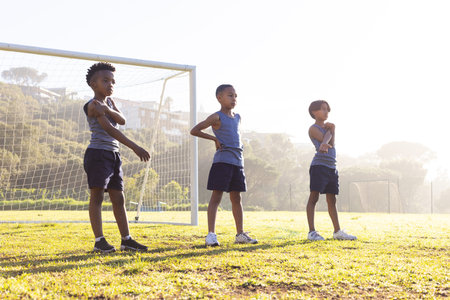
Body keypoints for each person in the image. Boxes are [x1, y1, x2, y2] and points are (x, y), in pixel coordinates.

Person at [83, 62, 150, 253]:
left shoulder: (109, 103)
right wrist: (135, 147)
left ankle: (126, 240)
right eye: (105, 81)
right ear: (93, 84)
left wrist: (109, 108)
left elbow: (123, 120)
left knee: (118, 198)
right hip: (98, 154)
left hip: (113, 155)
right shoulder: (93, 105)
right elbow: (111, 129)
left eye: (113, 81)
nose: (110, 84)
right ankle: (99, 241)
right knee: (96, 197)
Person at [190, 84, 257, 246]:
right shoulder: (216, 117)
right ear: (219, 98)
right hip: (222, 162)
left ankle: (240, 234)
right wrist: (214, 139)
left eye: (235, 96)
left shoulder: (238, 117)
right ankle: (211, 235)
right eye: (229, 95)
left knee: (237, 198)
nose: (234, 99)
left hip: (237, 163)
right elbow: (195, 130)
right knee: (216, 197)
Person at [306, 100, 356, 241]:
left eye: (327, 109)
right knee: (314, 198)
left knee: (332, 199)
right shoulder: (313, 128)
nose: (326, 112)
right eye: (322, 109)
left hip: (331, 167)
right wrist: (331, 130)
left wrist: (331, 130)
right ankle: (312, 232)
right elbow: (325, 141)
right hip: (319, 166)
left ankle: (337, 231)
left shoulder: (328, 129)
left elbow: (331, 143)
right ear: (314, 112)